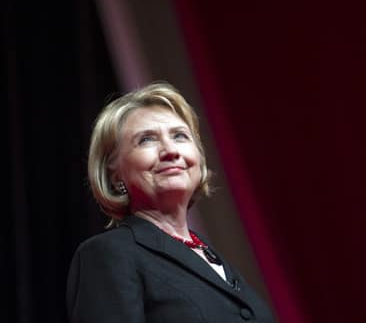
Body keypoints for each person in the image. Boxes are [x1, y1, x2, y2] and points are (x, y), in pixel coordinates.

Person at [66, 82, 275, 322]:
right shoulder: (108, 254)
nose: (171, 151)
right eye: (146, 140)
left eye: (179, 136)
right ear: (115, 173)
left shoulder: (212, 257)